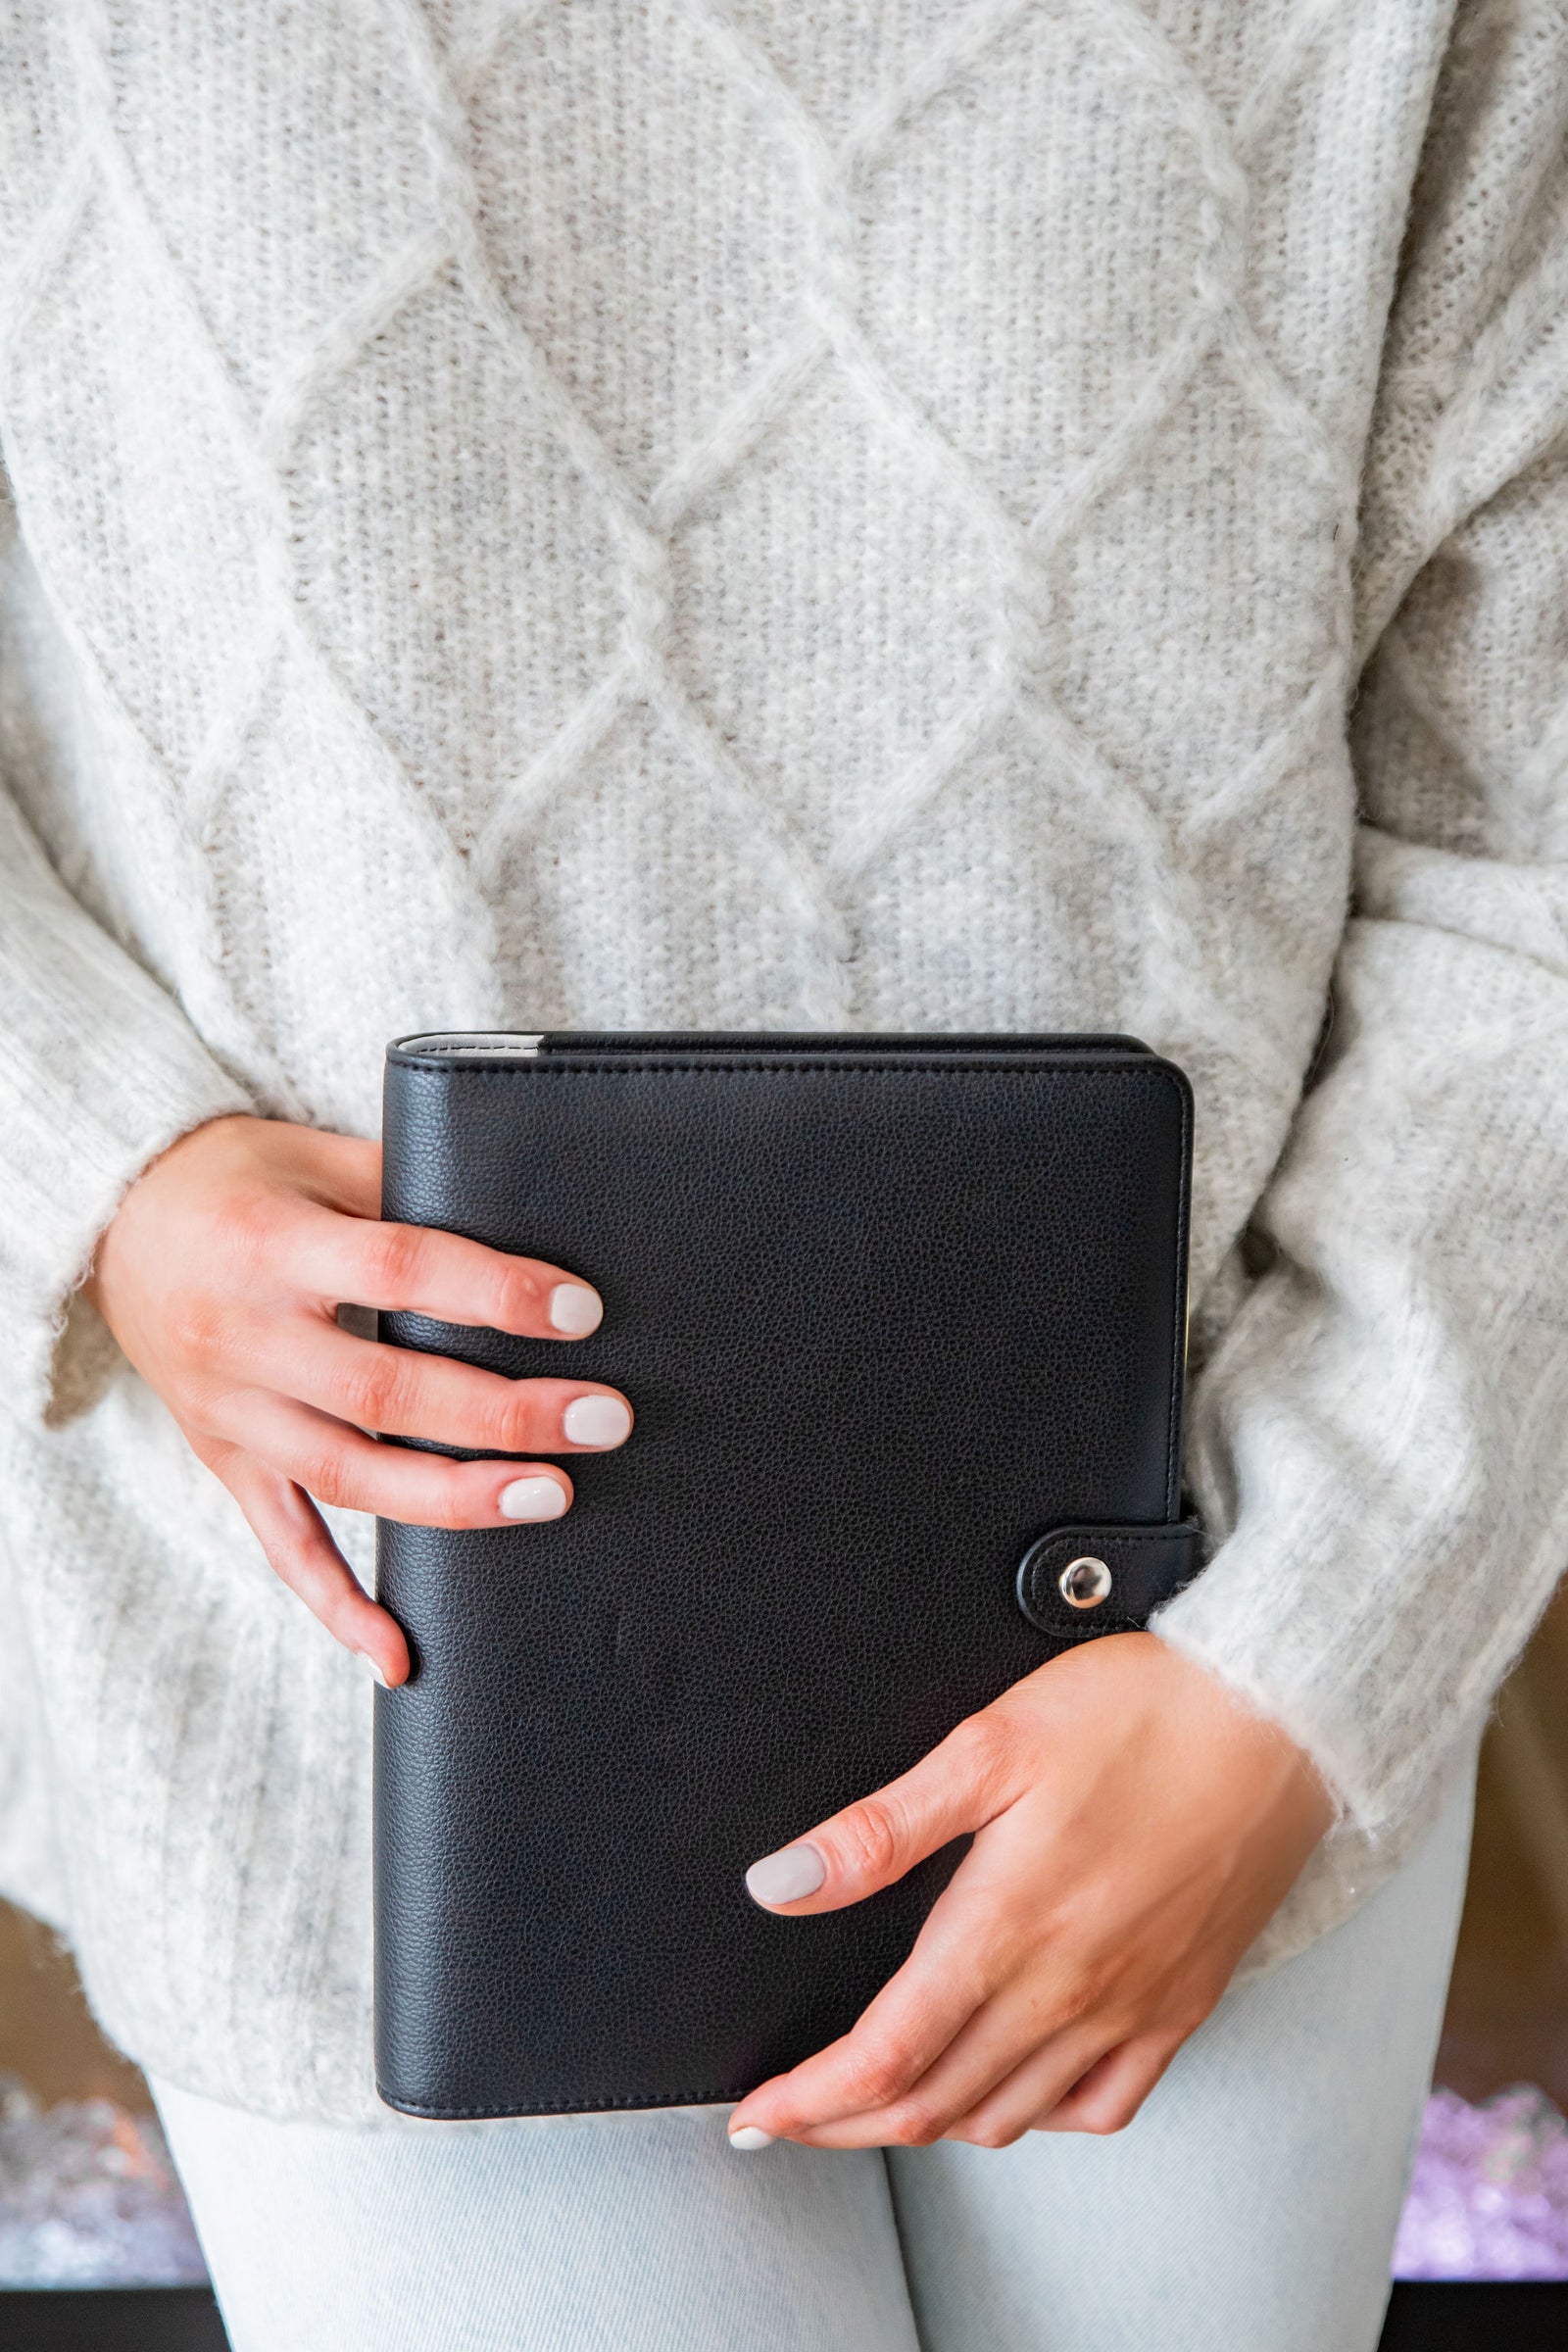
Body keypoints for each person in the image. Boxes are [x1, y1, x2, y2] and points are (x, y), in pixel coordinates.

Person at [1, 3, 1563, 2345]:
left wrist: (1310, 1658)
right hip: (339, 1634)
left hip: (1233, 1581)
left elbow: (1522, 837)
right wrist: (92, 1160)